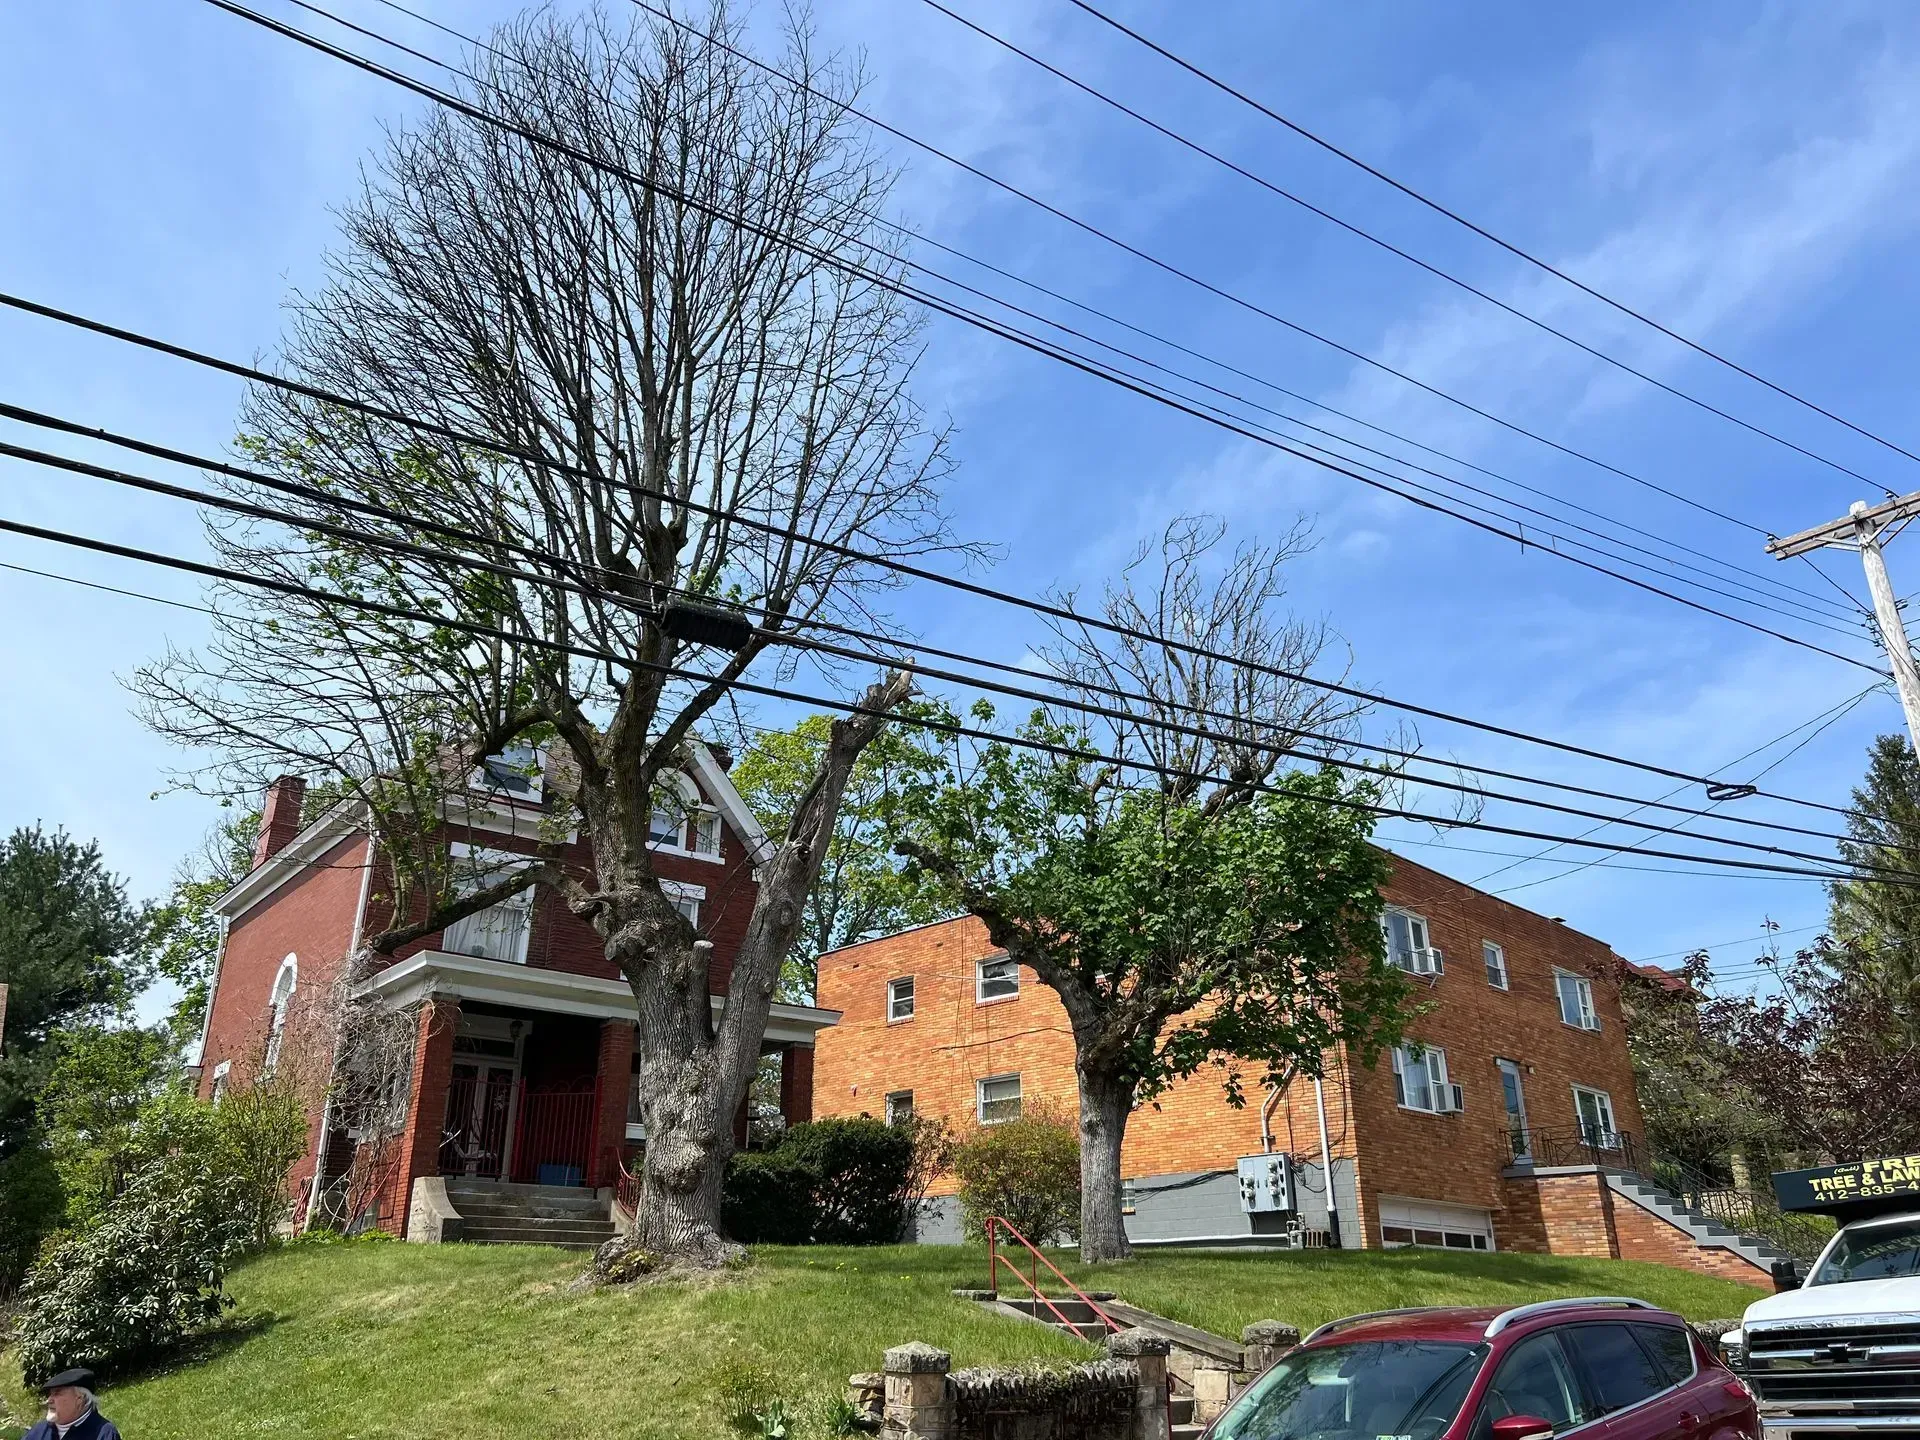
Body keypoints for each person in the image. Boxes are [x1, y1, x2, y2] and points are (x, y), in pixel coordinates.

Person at [24, 1370, 121, 1440]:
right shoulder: (38, 1431)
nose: (49, 1400)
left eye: (57, 1393)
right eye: (50, 1394)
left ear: (79, 1398)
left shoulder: (104, 1433)